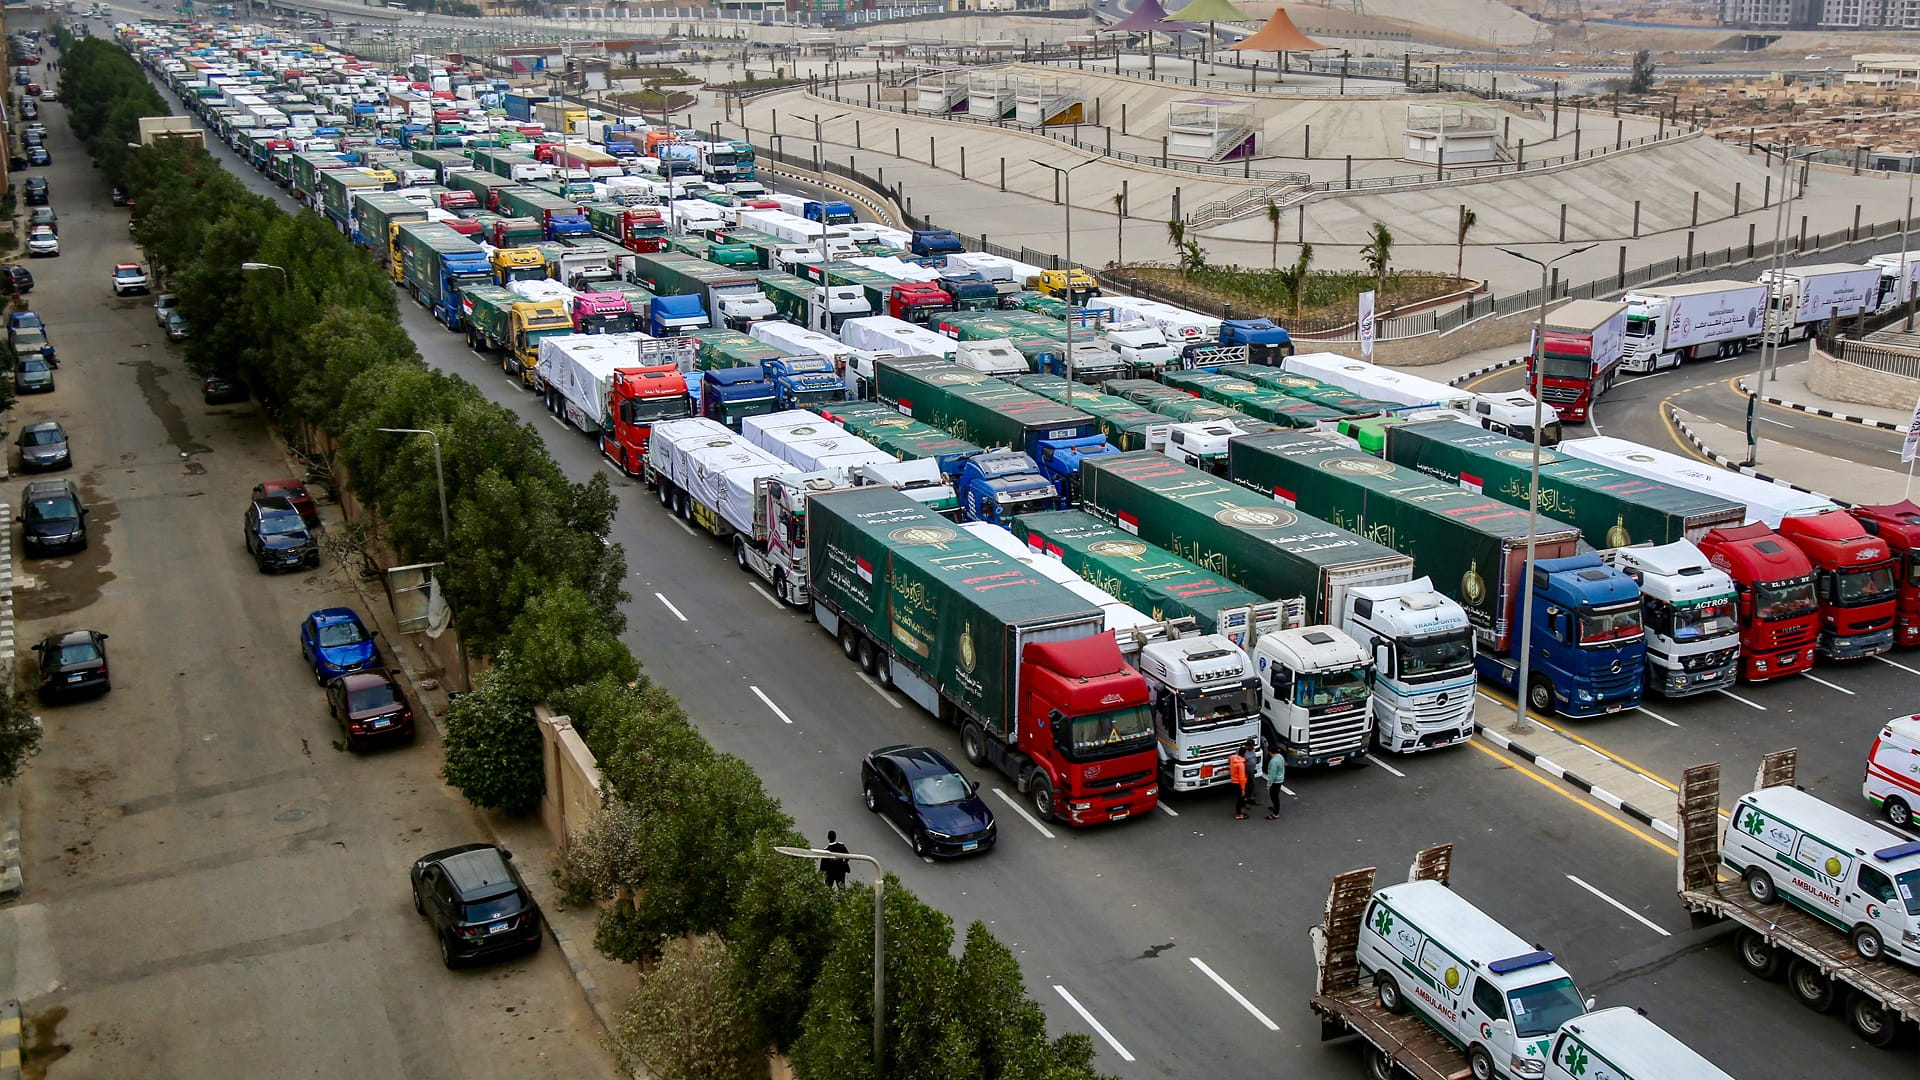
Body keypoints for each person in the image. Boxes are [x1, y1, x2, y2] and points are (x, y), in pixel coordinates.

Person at [1228, 739, 1253, 820]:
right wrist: (1243, 789)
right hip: (1239, 783)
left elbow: (1229, 758)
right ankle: (1239, 814)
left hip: (1233, 781)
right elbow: (1242, 778)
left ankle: (1240, 812)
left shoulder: (1233, 758)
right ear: (1244, 754)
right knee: (1240, 799)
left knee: (1239, 798)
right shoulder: (1241, 764)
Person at [1263, 745, 1287, 820]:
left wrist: (1269, 785)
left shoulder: (1273, 761)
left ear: (1270, 752)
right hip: (1280, 779)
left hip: (1275, 781)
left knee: (1274, 796)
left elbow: (1272, 775)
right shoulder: (1280, 756)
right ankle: (1275, 808)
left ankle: (1276, 813)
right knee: (1275, 795)